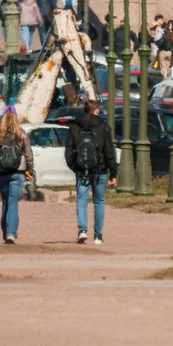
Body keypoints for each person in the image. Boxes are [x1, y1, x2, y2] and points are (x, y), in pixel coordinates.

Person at [67, 97, 117, 245]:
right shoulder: (104, 128)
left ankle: (82, 230)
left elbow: (69, 150)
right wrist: (113, 172)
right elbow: (109, 152)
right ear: (96, 111)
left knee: (81, 200)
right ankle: (98, 235)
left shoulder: (75, 127)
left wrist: (74, 166)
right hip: (100, 169)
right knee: (99, 202)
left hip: (82, 169)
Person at [0, 110, 34, 244]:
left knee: (5, 202)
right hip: (18, 172)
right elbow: (28, 154)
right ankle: (11, 233)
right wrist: (30, 170)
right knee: (12, 202)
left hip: (1, 172)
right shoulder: (21, 134)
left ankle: (5, 231)